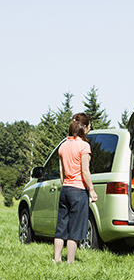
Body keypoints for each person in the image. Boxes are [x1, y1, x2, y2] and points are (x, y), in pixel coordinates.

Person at [54, 113, 98, 264]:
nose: (90, 129)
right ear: (83, 127)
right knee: (75, 228)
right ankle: (70, 261)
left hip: (65, 189)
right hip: (78, 191)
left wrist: (65, 183)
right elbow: (85, 170)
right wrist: (91, 190)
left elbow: (61, 171)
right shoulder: (84, 146)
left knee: (61, 226)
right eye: (89, 126)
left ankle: (57, 259)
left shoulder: (63, 145)